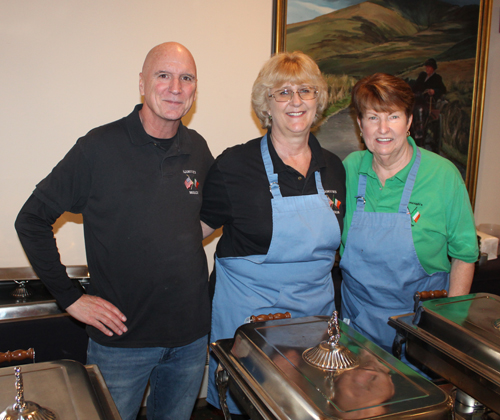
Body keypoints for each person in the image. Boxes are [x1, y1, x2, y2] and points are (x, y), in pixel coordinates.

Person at [15, 42, 213, 420]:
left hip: (190, 338)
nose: (176, 87)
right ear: (142, 83)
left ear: (195, 88)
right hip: (121, 343)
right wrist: (70, 299)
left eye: (186, 78)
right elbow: (31, 219)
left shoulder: (198, 148)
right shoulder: (98, 148)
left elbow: (200, 215)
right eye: (164, 75)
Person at [200, 51, 346, 417]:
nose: (295, 101)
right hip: (249, 327)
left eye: (306, 91)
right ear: (266, 104)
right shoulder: (234, 166)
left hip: (313, 325)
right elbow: (190, 235)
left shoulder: (334, 168)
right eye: (282, 92)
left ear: (318, 100)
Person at [339, 73, 478, 357]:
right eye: (372, 117)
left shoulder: (442, 176)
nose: (383, 129)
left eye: (393, 116)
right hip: (356, 330)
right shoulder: (348, 170)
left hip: (419, 334)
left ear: (409, 121)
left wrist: (448, 328)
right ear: (359, 124)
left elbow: (465, 254)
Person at [411, 58, 447, 148]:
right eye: (427, 67)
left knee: (420, 109)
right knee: (413, 107)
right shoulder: (422, 76)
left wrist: (434, 91)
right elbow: (415, 86)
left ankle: (420, 130)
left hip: (428, 101)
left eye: (429, 68)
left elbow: (443, 90)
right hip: (418, 98)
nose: (427, 69)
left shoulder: (437, 78)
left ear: (433, 68)